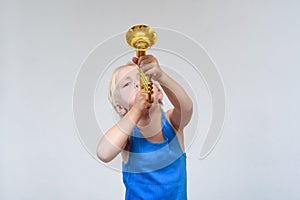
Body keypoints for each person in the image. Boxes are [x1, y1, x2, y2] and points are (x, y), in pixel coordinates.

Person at [97, 54, 193, 200]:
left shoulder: (173, 124)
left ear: (159, 93)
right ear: (120, 108)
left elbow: (186, 108)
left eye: (142, 78)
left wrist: (160, 76)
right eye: (126, 84)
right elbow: (104, 153)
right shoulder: (128, 137)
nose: (138, 84)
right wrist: (136, 110)